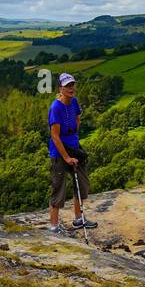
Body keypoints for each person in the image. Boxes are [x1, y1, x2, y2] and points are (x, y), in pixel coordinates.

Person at [47, 73, 98, 234]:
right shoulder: (56, 107)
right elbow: (54, 136)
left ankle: (78, 219)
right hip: (59, 152)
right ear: (60, 88)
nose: (71, 89)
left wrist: (74, 135)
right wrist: (67, 157)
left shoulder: (74, 102)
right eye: (67, 86)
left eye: (72, 85)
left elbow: (77, 118)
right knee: (58, 188)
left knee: (81, 184)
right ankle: (54, 227)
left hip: (74, 147)